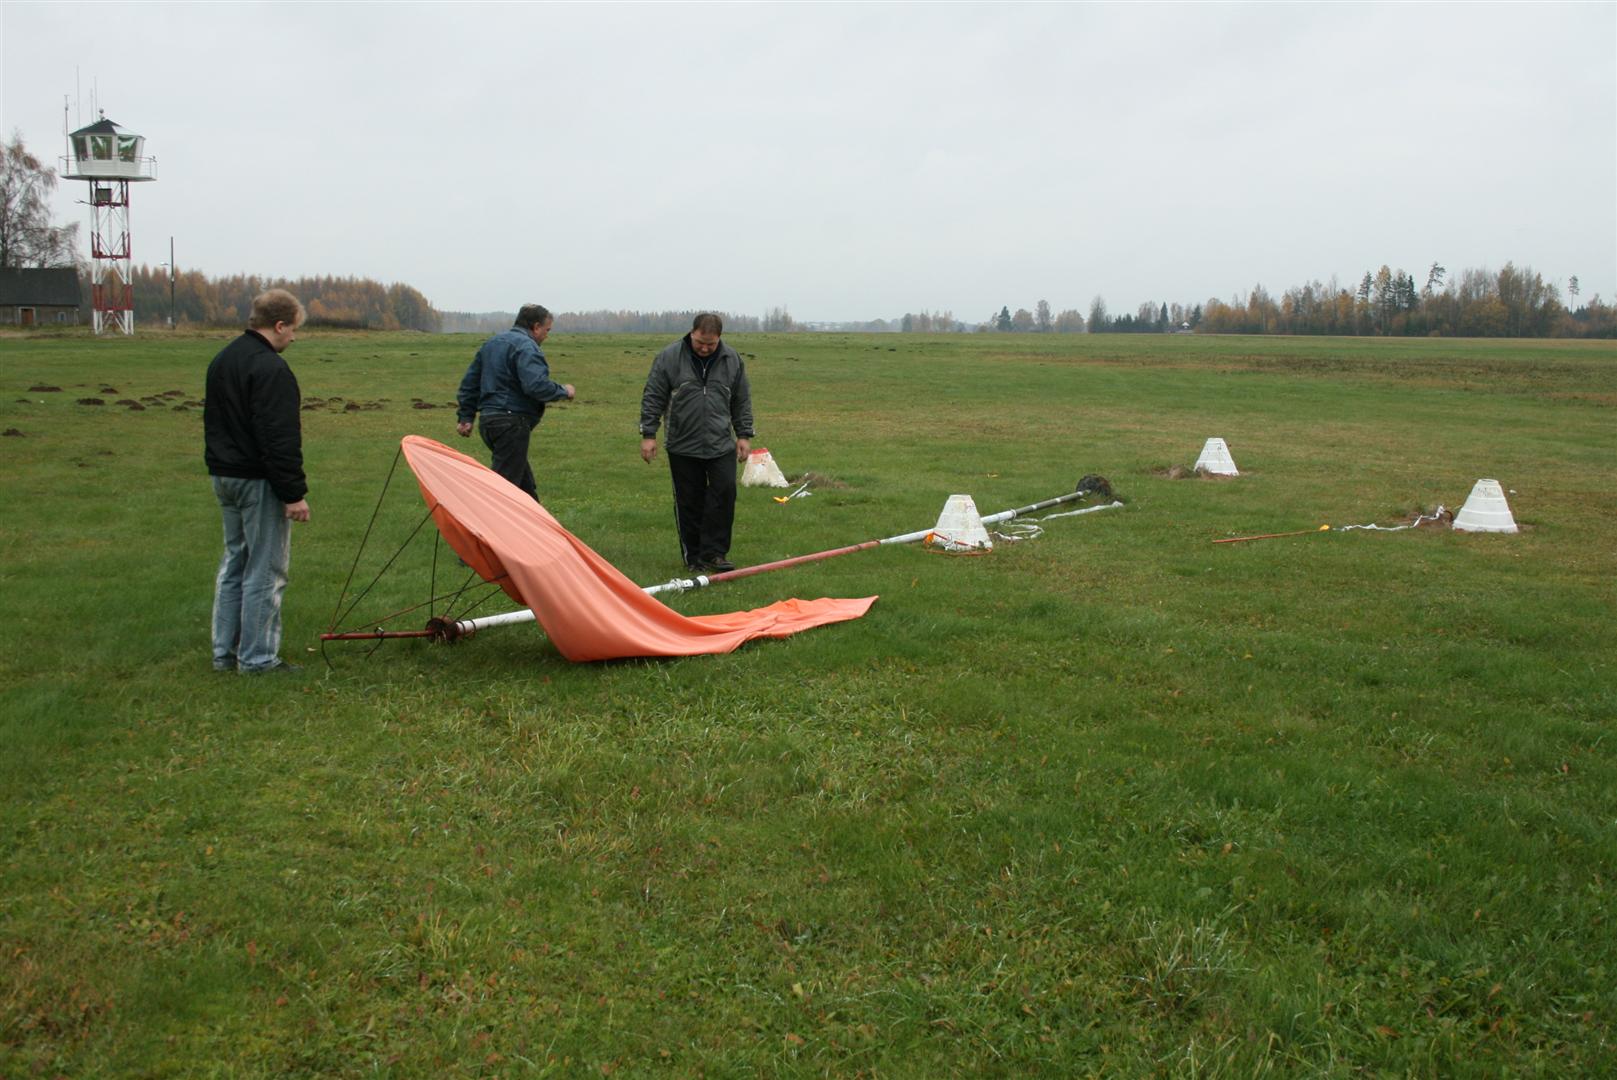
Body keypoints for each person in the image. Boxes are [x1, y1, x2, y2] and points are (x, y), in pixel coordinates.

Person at [203, 289, 310, 675]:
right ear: (279, 326)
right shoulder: (271, 370)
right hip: (257, 480)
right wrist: (293, 494)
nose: (294, 338)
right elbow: (278, 438)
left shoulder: (223, 358)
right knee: (266, 570)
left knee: (236, 562)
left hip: (224, 477)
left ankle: (225, 653)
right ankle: (258, 658)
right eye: (293, 329)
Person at [638, 312, 754, 572]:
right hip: (682, 444)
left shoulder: (732, 360)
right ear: (692, 333)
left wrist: (744, 435)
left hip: (721, 443)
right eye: (700, 342)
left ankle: (716, 553)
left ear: (719, 339)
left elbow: (741, 400)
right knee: (690, 501)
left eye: (710, 344)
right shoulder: (669, 357)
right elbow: (653, 395)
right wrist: (649, 434)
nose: (704, 348)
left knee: (724, 493)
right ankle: (694, 557)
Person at [455, 304, 574, 500]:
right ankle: (478, 518)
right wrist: (564, 391)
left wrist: (466, 417)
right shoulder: (527, 347)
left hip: (488, 422)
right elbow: (536, 386)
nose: (546, 336)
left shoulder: (491, 344)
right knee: (503, 490)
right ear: (536, 327)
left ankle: (535, 519)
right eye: (547, 330)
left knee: (525, 488)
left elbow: (470, 384)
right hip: (511, 424)